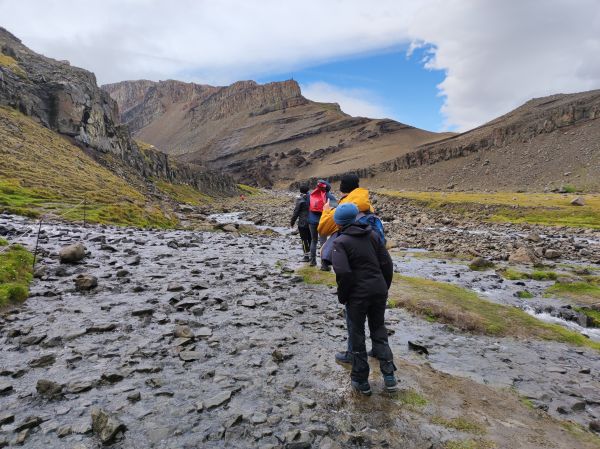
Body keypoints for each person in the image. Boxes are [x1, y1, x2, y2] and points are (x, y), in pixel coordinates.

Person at [331, 203, 398, 395]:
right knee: (379, 330)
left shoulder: (340, 242)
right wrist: (383, 287)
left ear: (338, 223)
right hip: (378, 290)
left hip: (357, 296)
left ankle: (361, 382)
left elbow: (343, 272)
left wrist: (343, 297)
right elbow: (387, 264)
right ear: (356, 218)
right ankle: (390, 378)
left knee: (357, 335)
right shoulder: (373, 235)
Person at [319, 173, 374, 364]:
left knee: (354, 320)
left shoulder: (344, 210)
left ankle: (354, 359)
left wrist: (327, 211)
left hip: (356, 281)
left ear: (343, 188)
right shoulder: (368, 206)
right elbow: (385, 262)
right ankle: (380, 355)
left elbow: (324, 229)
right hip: (376, 277)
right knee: (377, 319)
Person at [307, 180, 337, 268]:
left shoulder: (311, 195)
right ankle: (324, 265)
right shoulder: (330, 197)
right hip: (323, 222)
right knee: (323, 242)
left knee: (313, 240)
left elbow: (307, 206)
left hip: (312, 221)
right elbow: (335, 209)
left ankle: (312, 262)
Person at [290, 184, 311, 262]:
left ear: (300, 191)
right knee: (311, 238)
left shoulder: (300, 199)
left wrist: (292, 222)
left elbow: (296, 212)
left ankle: (306, 256)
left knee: (304, 239)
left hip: (303, 222)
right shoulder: (312, 197)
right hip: (312, 221)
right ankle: (312, 255)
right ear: (308, 190)